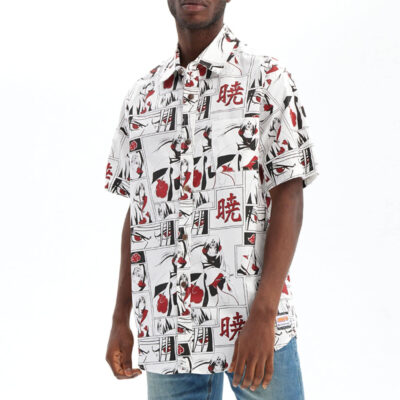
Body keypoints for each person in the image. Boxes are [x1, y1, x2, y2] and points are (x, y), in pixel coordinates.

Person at [104, 1, 319, 399]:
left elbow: (289, 192)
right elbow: (140, 211)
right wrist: (121, 317)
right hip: (168, 332)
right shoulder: (141, 97)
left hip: (252, 324)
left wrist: (264, 314)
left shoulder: (266, 79)